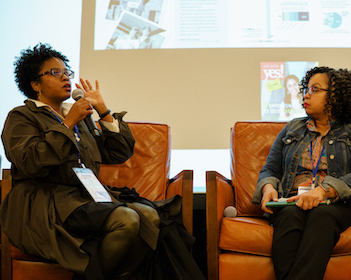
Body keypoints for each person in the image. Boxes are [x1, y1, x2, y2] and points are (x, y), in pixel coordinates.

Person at [0, 43, 205, 280]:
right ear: (35, 84)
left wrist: (103, 111)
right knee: (127, 220)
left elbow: (117, 153)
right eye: (56, 73)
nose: (66, 78)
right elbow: (31, 161)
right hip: (43, 204)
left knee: (151, 217)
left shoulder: (78, 115)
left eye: (67, 72)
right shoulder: (22, 116)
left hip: (83, 197)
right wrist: (67, 125)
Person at [252, 66, 351, 280]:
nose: (306, 95)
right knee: (288, 215)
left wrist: (324, 191)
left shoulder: (349, 131)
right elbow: (270, 168)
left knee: (322, 215)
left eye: (315, 90)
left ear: (335, 95)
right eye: (306, 89)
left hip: (335, 205)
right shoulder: (292, 129)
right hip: (293, 201)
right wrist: (268, 187)